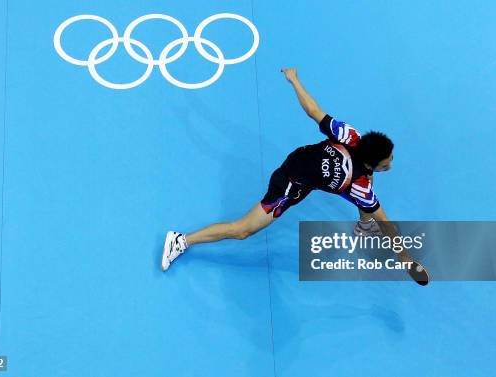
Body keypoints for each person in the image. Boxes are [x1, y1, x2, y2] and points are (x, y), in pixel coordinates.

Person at [161, 68, 429, 285]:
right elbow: (386, 221)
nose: (391, 165)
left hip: (301, 157)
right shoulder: (360, 185)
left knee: (366, 196)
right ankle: (181, 240)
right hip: (290, 182)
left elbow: (314, 112)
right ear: (373, 161)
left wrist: (294, 79)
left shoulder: (351, 135)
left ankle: (363, 226)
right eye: (387, 163)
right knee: (243, 230)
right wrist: (404, 256)